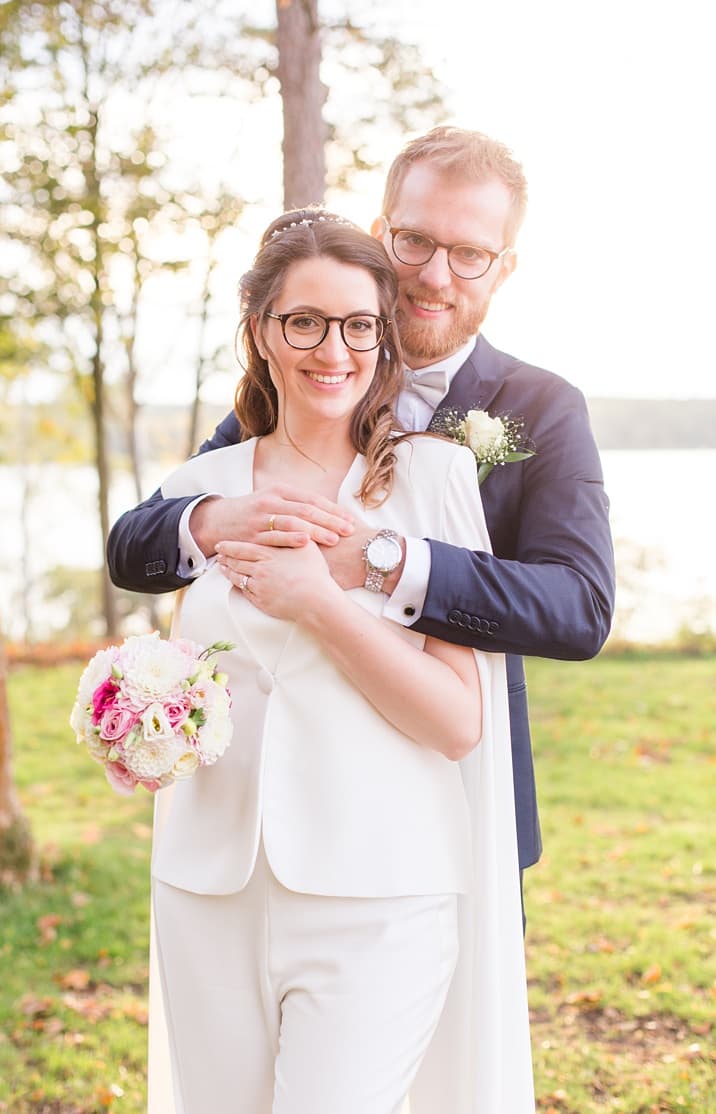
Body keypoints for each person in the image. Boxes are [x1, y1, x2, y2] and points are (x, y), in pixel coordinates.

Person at [108, 127, 615, 884]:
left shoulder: (540, 408)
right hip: (297, 806)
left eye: (470, 253)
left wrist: (385, 563)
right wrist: (211, 521)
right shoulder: (306, 374)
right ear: (382, 233)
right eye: (414, 240)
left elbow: (578, 608)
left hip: (463, 781)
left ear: (503, 268)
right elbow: (136, 546)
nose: (435, 275)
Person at [148, 209, 532, 1112]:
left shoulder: (432, 481)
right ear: (261, 332)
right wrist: (145, 721)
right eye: (305, 322)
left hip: (379, 894)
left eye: (360, 325)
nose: (335, 350)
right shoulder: (201, 492)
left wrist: (321, 603)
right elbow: (196, 667)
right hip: (210, 884)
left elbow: (458, 721)